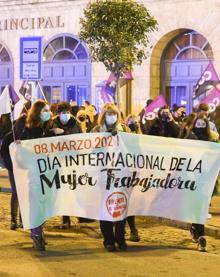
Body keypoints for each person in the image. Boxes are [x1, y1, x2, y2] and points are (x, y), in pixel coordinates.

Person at [92, 103, 130, 252]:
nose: (112, 117)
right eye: (109, 114)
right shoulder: (96, 131)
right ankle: (108, 239)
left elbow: (133, 148)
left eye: (114, 114)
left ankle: (120, 238)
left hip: (121, 174)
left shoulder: (125, 130)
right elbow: (91, 150)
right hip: (103, 175)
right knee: (105, 207)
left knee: (121, 205)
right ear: (104, 116)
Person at [20, 100, 55, 251]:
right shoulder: (29, 129)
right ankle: (36, 235)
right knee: (36, 205)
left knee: (44, 204)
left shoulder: (48, 127)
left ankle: (40, 232)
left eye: (49, 110)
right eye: (45, 110)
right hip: (35, 173)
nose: (48, 113)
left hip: (48, 172)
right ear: (37, 113)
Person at [0, 101, 31, 230]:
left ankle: (24, 219)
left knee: (26, 193)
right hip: (14, 168)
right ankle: (14, 219)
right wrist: (10, 166)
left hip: (27, 168)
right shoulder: (9, 137)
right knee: (16, 192)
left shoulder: (29, 134)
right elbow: (3, 152)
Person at [52, 101, 82, 229]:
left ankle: (80, 214)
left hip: (73, 161)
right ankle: (66, 218)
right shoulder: (52, 124)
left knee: (74, 189)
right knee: (62, 191)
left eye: (68, 112)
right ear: (58, 114)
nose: (66, 115)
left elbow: (81, 139)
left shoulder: (75, 123)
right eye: (64, 113)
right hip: (58, 162)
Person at [124, 114, 141, 242]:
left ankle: (132, 229)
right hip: (123, 172)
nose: (133, 123)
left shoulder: (141, 138)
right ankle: (122, 228)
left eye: (135, 122)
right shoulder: (123, 135)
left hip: (135, 173)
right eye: (130, 121)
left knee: (131, 203)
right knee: (122, 201)